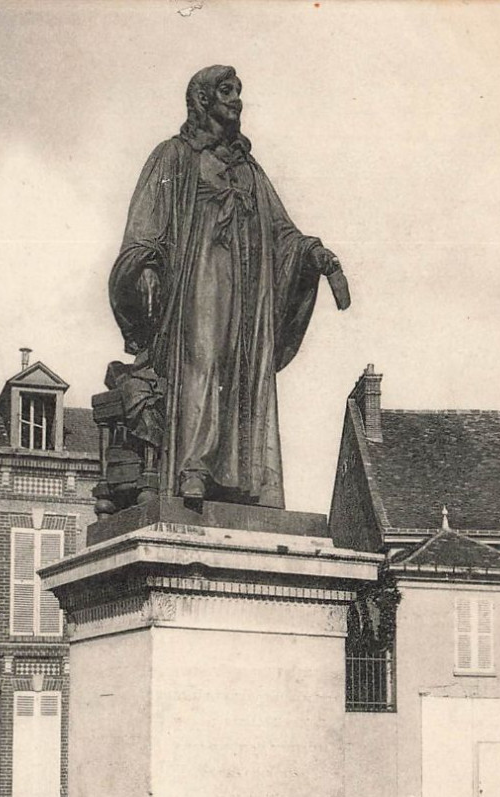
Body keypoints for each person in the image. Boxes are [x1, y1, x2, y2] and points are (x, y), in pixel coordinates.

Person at [109, 65, 348, 507]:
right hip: (197, 278)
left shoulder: (250, 171)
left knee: (245, 372)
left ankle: (251, 481)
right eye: (226, 91)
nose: (236, 99)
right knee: (204, 358)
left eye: (238, 91)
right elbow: (145, 222)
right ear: (201, 100)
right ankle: (192, 467)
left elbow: (282, 231)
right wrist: (145, 266)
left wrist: (315, 255)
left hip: (247, 287)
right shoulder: (174, 156)